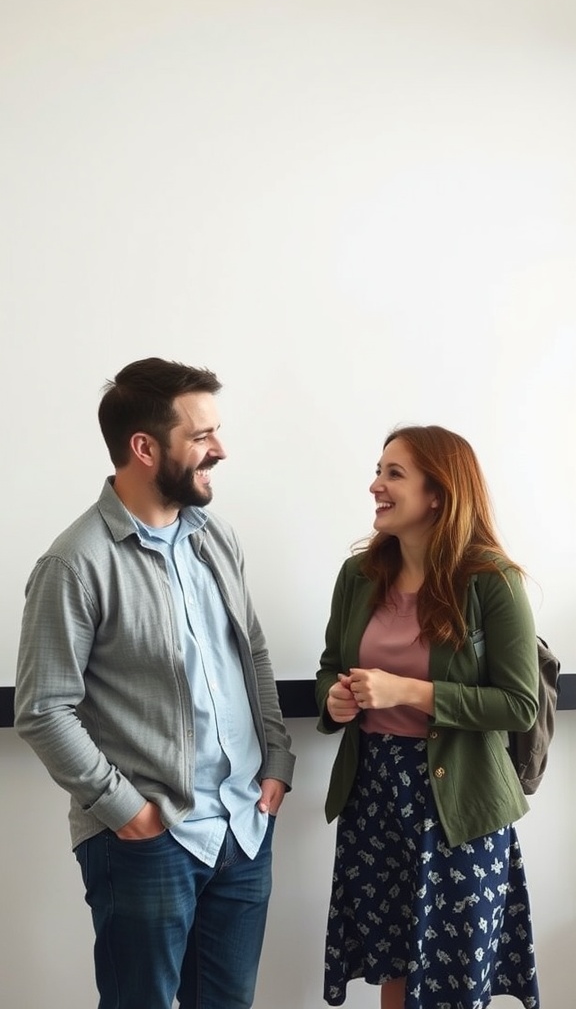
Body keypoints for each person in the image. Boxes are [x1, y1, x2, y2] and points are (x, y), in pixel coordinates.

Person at [15, 356, 295, 1009]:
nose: (220, 450)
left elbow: (250, 651)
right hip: (148, 842)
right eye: (202, 436)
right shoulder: (73, 562)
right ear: (144, 447)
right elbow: (44, 708)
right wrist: (125, 811)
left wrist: (276, 758)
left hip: (243, 827)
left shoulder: (216, 538)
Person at [315, 425, 540, 1009]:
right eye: (378, 470)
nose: (375, 485)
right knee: (394, 963)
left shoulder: (491, 580)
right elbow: (329, 669)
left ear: (437, 493)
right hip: (375, 797)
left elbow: (518, 705)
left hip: (460, 804)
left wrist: (408, 691)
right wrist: (334, 702)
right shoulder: (358, 576)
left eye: (394, 474)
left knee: (453, 980)